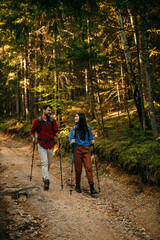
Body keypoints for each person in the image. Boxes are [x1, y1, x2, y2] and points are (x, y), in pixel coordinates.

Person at [30, 105, 61, 190]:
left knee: (49, 163)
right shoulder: (37, 121)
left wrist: (58, 134)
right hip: (41, 144)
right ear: (44, 110)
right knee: (45, 162)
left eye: (50, 111)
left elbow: (56, 130)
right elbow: (32, 131)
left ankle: (44, 176)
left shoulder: (52, 121)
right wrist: (33, 138)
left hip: (51, 145)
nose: (50, 112)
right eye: (49, 110)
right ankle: (46, 180)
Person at [69, 113, 97, 194]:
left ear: (81, 118)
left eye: (76, 116)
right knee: (78, 169)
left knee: (89, 168)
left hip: (86, 149)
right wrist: (72, 142)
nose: (75, 118)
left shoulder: (88, 128)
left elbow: (90, 138)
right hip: (77, 149)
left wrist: (92, 141)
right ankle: (77, 185)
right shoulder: (73, 129)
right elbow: (70, 139)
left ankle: (92, 187)